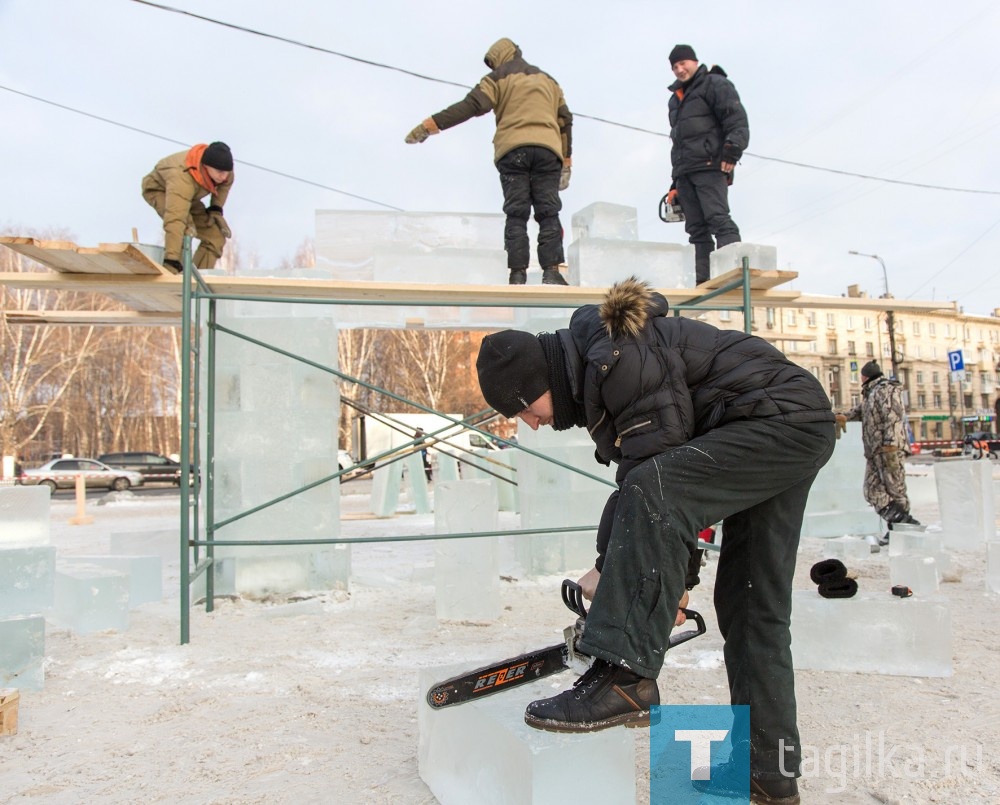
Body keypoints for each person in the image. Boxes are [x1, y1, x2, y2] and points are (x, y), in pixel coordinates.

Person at [476, 276, 834, 804]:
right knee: (751, 603)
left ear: (539, 381)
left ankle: (625, 678)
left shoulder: (618, 359)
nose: (530, 424)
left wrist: (652, 588)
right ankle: (769, 774)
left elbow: (657, 485)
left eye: (525, 408)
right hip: (787, 422)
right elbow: (652, 485)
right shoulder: (607, 366)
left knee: (656, 491)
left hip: (779, 421)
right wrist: (620, 568)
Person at [404, 37, 572, 286]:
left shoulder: (497, 79)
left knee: (516, 213)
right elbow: (565, 120)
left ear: (500, 58)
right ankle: (552, 271)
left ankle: (517, 274)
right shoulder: (549, 81)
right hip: (548, 150)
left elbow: (471, 105)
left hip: (512, 150)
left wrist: (430, 126)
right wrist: (566, 161)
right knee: (548, 212)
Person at [665, 44, 749, 285]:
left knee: (718, 219)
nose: (680, 69)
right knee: (696, 229)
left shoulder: (714, 83)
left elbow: (735, 118)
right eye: (675, 66)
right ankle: (703, 281)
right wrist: (674, 183)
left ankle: (732, 274)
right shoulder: (675, 100)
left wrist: (732, 150)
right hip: (685, 170)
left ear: (694, 61)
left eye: (683, 63)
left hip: (711, 164)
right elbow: (678, 143)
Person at [838, 361, 920, 541]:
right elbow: (861, 411)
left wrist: (890, 444)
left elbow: (893, 416)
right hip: (875, 451)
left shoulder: (886, 389)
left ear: (865, 376)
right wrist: (844, 416)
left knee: (895, 490)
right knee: (871, 490)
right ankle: (902, 522)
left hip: (889, 449)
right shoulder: (871, 393)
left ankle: (902, 530)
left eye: (860, 376)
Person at [141, 142, 235, 272]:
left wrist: (215, 208)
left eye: (227, 172)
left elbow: (225, 186)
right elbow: (175, 219)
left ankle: (199, 281)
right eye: (220, 172)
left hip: (190, 196)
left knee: (215, 237)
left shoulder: (224, 171)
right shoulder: (182, 176)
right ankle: (174, 272)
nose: (223, 176)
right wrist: (171, 258)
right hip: (160, 190)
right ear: (206, 166)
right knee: (184, 228)